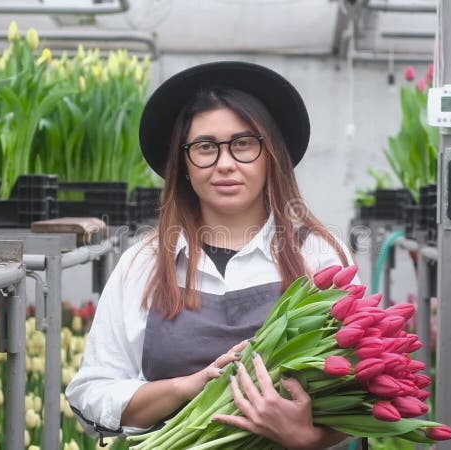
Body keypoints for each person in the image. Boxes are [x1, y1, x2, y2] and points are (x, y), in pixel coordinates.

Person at [66, 61, 359, 450]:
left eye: (243, 144)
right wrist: (187, 387)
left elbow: (362, 385)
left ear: (270, 153)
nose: (225, 163)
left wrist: (305, 437)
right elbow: (92, 393)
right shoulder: (144, 263)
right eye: (205, 147)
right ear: (184, 163)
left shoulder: (319, 255)